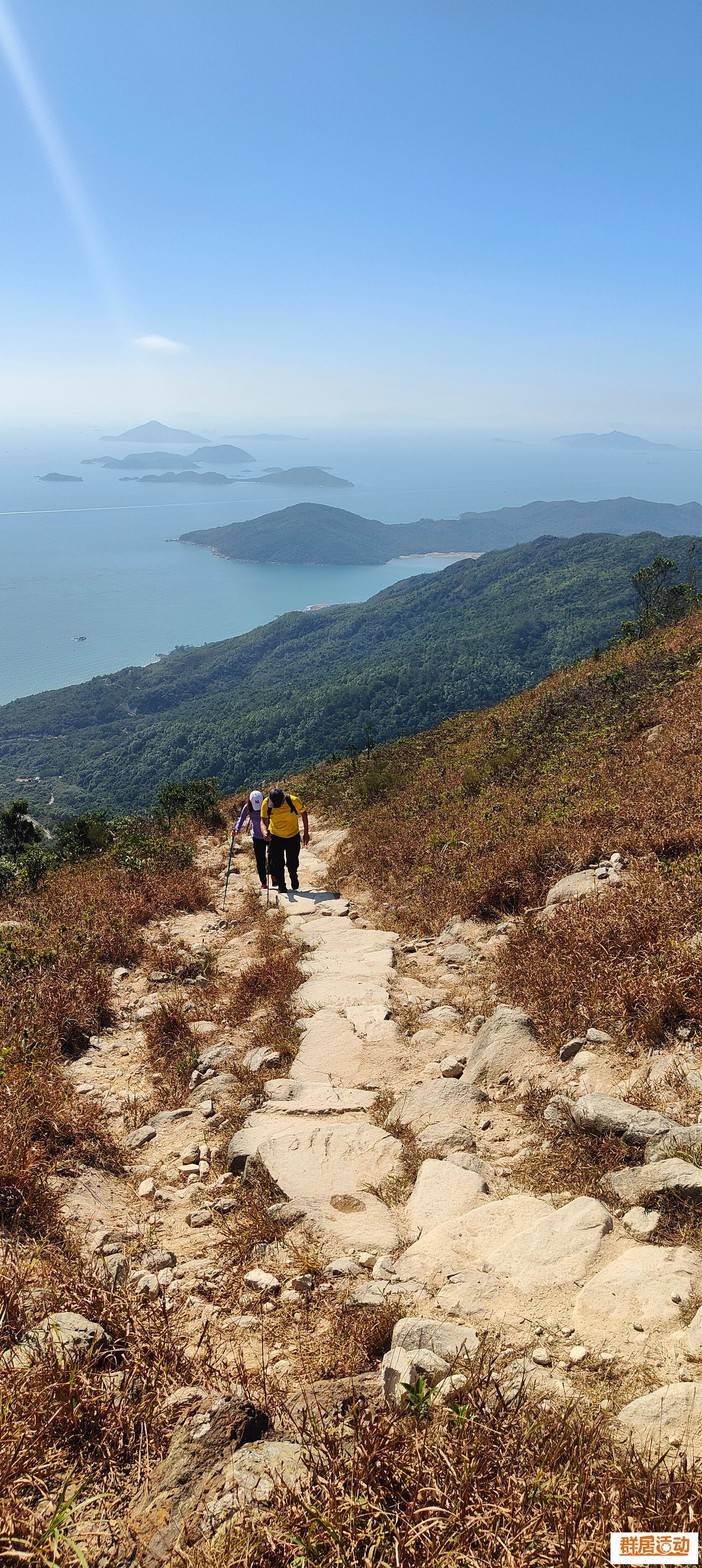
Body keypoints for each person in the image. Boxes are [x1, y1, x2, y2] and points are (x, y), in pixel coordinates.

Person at [261, 786, 309, 894]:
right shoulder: (266, 803)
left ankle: (293, 875)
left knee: (292, 862)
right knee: (278, 863)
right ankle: (282, 885)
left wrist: (306, 833)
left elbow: (304, 814)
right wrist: (264, 831)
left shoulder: (293, 800)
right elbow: (263, 820)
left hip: (293, 835)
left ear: (283, 799)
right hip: (275, 836)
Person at [234, 789, 268, 889]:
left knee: (273, 857)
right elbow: (241, 818)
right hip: (257, 837)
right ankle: (263, 882)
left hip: (269, 835)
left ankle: (274, 876)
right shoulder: (248, 807)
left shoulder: (267, 804)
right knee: (260, 860)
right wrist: (236, 829)